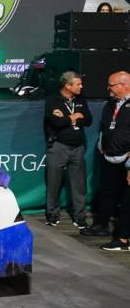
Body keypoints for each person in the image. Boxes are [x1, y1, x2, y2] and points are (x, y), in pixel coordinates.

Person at [81, 72, 130, 251]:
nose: (108, 89)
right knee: (106, 191)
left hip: (127, 158)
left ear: (123, 85)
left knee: (127, 199)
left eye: (111, 86)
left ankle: (123, 236)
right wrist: (102, 144)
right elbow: (104, 126)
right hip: (109, 155)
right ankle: (101, 225)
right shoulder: (110, 104)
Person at [43, 71, 92, 228]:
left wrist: (65, 117)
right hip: (58, 146)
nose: (81, 86)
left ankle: (80, 216)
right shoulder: (52, 100)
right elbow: (55, 123)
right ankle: (52, 213)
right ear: (67, 85)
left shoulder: (80, 100)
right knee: (54, 182)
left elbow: (89, 120)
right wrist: (74, 116)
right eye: (78, 84)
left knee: (79, 185)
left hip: (78, 147)